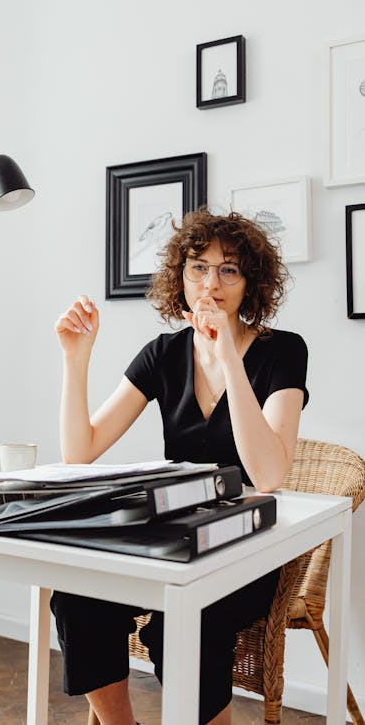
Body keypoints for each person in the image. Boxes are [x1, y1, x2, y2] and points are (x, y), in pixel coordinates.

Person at [51, 209, 309, 725]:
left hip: (247, 548)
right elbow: (80, 451)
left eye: (229, 269)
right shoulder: (163, 355)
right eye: (198, 267)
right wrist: (75, 361)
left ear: (249, 282)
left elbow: (269, 474)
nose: (210, 283)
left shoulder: (283, 352)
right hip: (175, 539)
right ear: (181, 276)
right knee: (77, 598)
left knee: (182, 624)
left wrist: (229, 357)